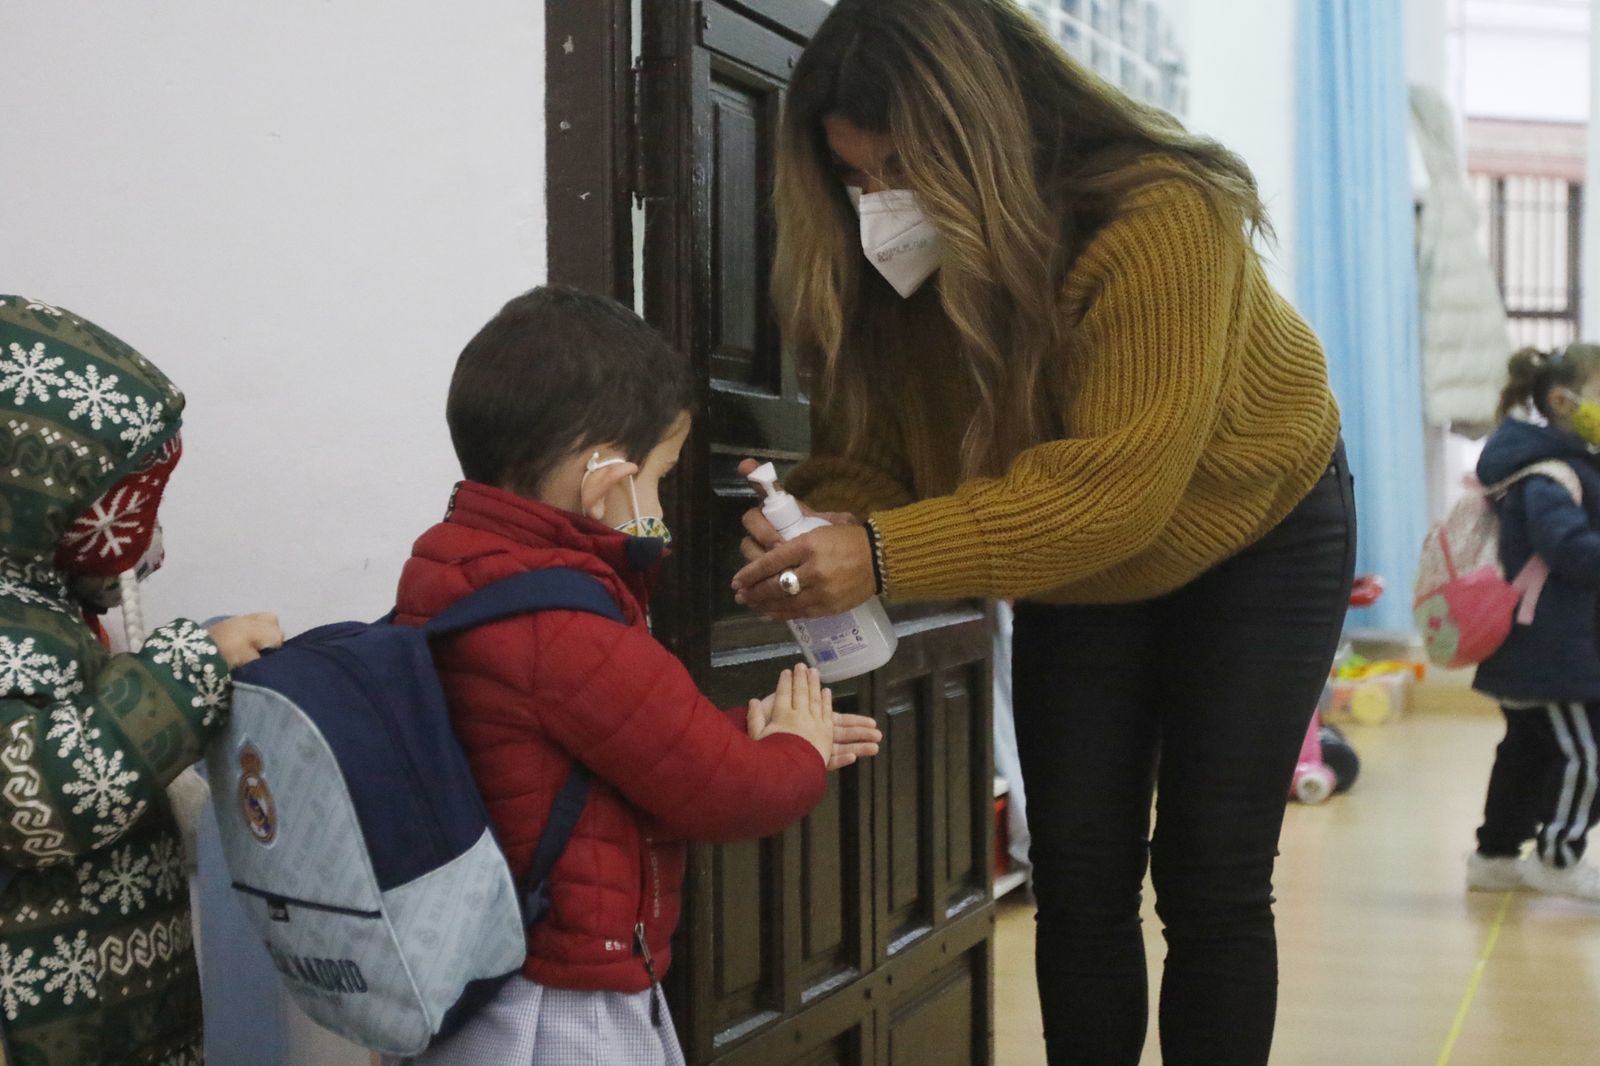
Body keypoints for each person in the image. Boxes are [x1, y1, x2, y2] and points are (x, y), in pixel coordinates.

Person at [729, 4, 1355, 1064]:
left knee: (1210, 876)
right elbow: (873, 449)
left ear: (981, 134)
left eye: (897, 170)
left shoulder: (1162, 215)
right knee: (1075, 872)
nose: (877, 203)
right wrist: (832, 515)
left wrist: (881, 554)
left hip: (1255, 532)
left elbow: (1117, 490)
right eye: (854, 177)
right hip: (1078, 558)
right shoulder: (879, 260)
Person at [388, 286, 882, 1066]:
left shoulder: (454, 570)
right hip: (562, 1001)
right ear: (606, 481)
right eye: (658, 479)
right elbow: (724, 794)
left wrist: (750, 734)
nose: (660, 508)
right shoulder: (569, 626)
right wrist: (790, 758)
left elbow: (591, 749)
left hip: (481, 985)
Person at [0, 297, 281, 1065]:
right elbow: (33, 797)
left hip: (109, 1018)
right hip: (48, 1031)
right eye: (119, 499)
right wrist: (195, 668)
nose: (138, 528)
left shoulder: (40, 607)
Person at [1468, 345, 1600, 902]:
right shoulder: (1550, 473)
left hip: (1538, 644)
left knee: (1526, 753)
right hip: (1552, 648)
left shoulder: (1564, 463)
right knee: (1587, 753)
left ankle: (1495, 857)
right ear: (1563, 401)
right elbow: (1569, 549)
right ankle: (1557, 857)